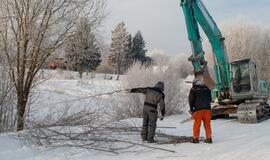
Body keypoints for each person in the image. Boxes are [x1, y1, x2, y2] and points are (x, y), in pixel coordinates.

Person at [189, 78, 212, 143]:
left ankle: (195, 139)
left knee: (197, 124)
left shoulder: (193, 89)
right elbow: (210, 99)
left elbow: (191, 100)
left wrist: (191, 109)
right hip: (207, 109)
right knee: (207, 124)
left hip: (198, 110)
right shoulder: (207, 88)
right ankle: (209, 138)